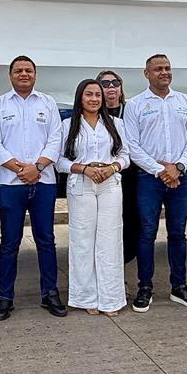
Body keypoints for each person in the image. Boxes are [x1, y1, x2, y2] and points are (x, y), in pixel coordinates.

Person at [122, 54, 187, 312]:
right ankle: (144, 287)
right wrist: (160, 170)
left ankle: (178, 286)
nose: (164, 72)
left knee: (178, 233)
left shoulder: (186, 102)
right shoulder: (135, 105)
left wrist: (178, 167)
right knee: (146, 233)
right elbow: (132, 146)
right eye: (157, 69)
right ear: (146, 73)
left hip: (181, 178)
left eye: (167, 68)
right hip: (149, 179)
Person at [0, 56, 66, 321]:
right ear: (10, 75)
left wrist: (38, 167)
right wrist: (21, 169)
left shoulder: (48, 103)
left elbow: (56, 139)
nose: (23, 74)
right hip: (10, 185)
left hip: (43, 183)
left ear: (35, 75)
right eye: (18, 70)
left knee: (46, 240)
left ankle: (50, 293)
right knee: (9, 242)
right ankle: (4, 297)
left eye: (28, 70)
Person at [57, 79, 130, 315]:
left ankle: (110, 299)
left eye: (98, 95)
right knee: (82, 240)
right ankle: (85, 297)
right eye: (89, 94)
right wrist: (84, 169)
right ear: (80, 97)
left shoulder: (116, 124)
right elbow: (60, 161)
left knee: (110, 240)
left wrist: (112, 168)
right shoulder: (68, 125)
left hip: (110, 184)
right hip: (81, 184)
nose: (94, 99)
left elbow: (125, 155)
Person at [97, 69, 140, 266]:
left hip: (128, 175)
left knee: (130, 221)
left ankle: (122, 266)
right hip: (102, 177)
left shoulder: (131, 110)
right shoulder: (94, 113)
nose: (111, 87)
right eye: (105, 84)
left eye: (115, 83)